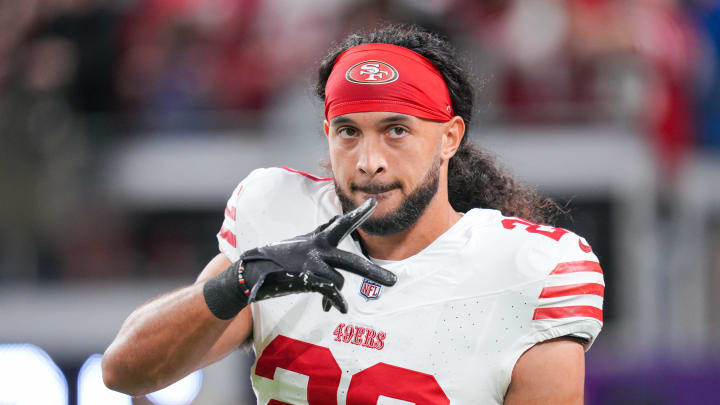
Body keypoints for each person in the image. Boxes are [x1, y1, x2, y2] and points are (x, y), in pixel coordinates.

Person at [102, 24, 604, 404]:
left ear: (449, 138)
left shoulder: (529, 271)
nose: (369, 161)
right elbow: (125, 371)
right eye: (349, 131)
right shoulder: (281, 218)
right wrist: (239, 280)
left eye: (396, 130)